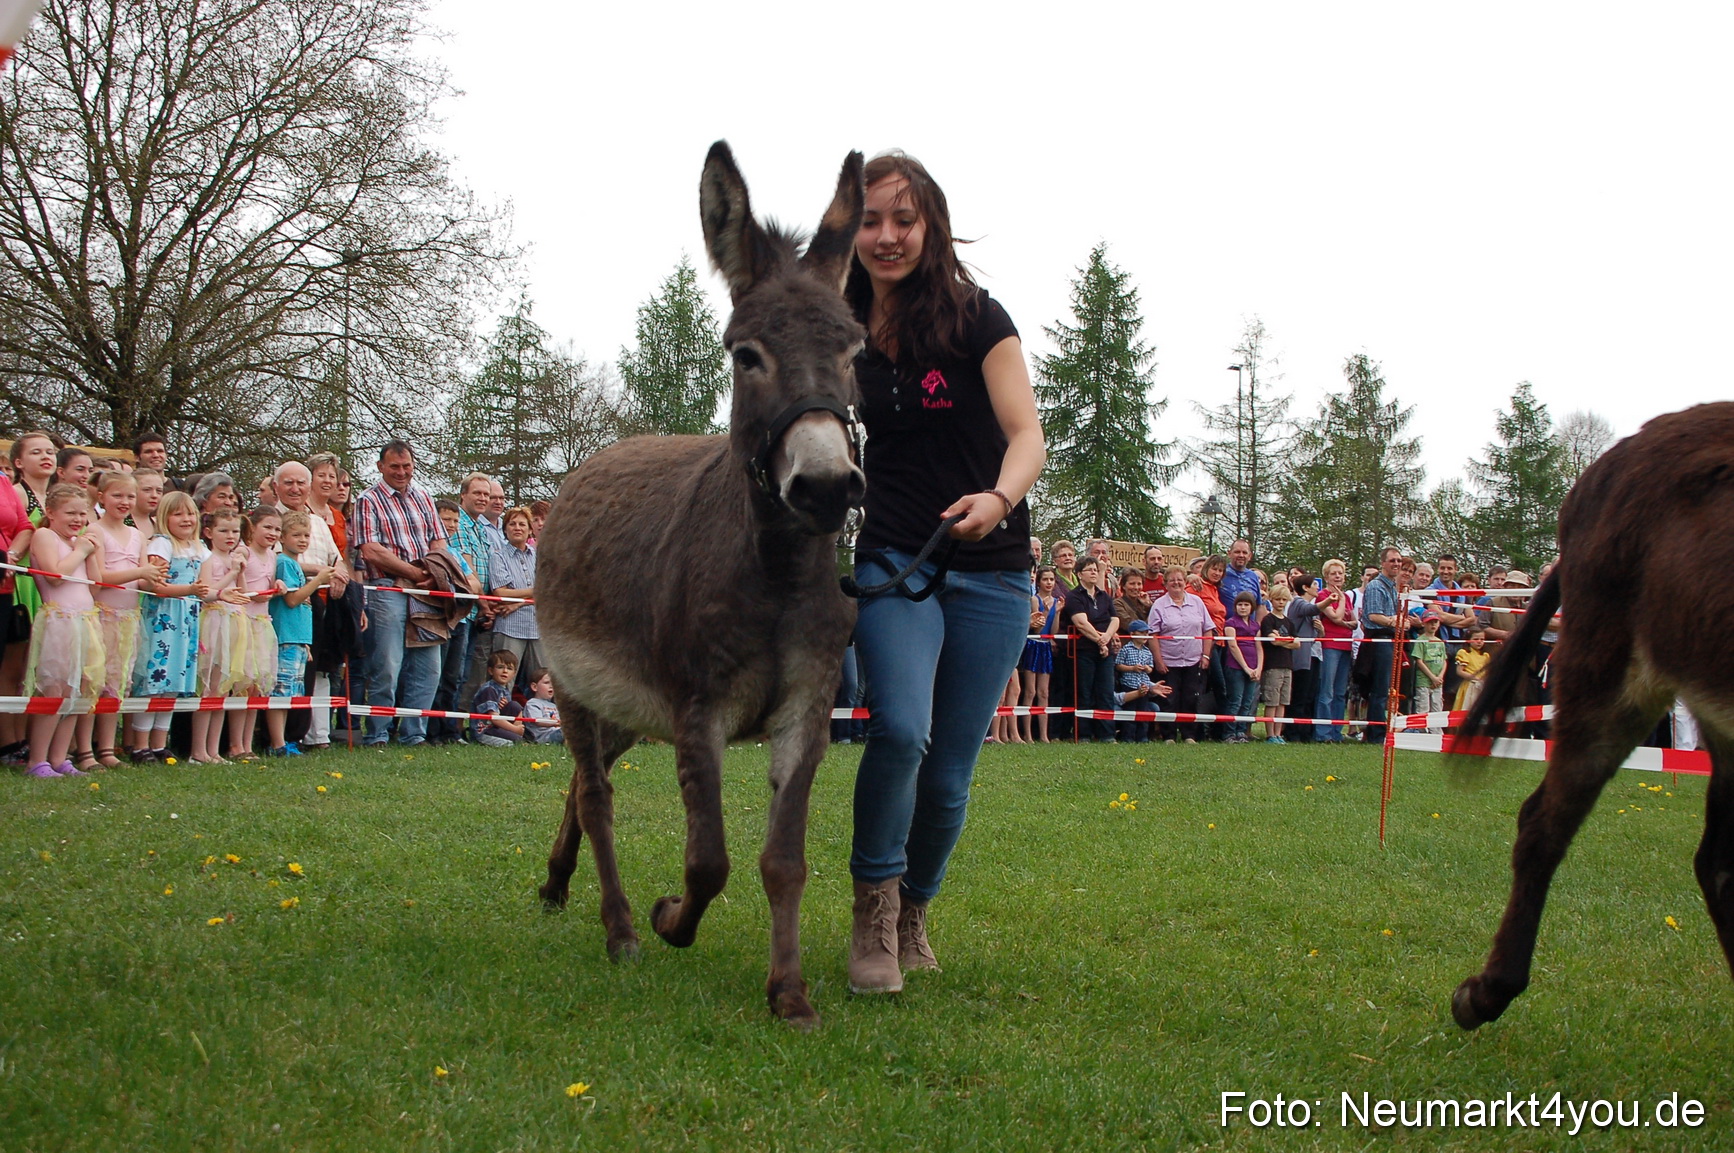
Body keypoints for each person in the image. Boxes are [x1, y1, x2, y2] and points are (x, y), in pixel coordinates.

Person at [843, 150, 1045, 996]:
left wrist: (999, 498)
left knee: (953, 769)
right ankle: (874, 917)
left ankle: (917, 907)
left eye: (904, 218)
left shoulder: (975, 317)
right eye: (870, 219)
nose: (887, 236)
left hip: (993, 569)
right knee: (899, 730)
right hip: (896, 557)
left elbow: (1028, 433)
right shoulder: (839, 323)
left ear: (930, 225)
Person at [351, 440, 448, 747]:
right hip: (387, 589)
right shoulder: (368, 500)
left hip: (425, 592)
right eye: (394, 466)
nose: (402, 472)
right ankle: (378, 733)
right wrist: (413, 573)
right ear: (381, 467)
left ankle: (413, 734)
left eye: (407, 466)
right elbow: (370, 551)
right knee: (387, 666)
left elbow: (438, 542)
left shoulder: (424, 497)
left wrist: (434, 573)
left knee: (428, 668)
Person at [20, 483, 105, 777]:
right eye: (70, 513)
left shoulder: (76, 544)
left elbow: (95, 583)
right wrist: (80, 549)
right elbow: (54, 576)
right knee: (54, 689)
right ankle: (37, 759)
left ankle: (59, 757)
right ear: (51, 512)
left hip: (85, 620)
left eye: (83, 514)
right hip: (59, 621)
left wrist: (90, 552)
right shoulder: (44, 535)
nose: (77, 519)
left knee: (77, 691)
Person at [85, 471, 159, 769]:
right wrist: (141, 573)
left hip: (129, 617)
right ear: (101, 497)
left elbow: (144, 581)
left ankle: (106, 748)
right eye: (117, 495)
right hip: (103, 615)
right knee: (94, 681)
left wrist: (154, 578)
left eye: (130, 496)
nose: (125, 501)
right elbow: (99, 578)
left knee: (118, 683)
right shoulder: (94, 531)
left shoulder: (138, 536)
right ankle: (85, 749)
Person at [129, 491, 208, 761]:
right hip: (164, 618)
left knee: (173, 680)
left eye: (190, 513)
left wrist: (222, 592)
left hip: (186, 619)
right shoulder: (162, 545)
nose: (186, 519)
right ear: (165, 517)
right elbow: (155, 586)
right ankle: (140, 744)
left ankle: (160, 742)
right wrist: (189, 589)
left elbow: (206, 587)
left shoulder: (199, 548)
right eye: (178, 514)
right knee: (156, 679)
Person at [265, 510, 332, 757]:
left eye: (306, 535)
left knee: (291, 693)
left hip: (298, 639)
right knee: (280, 692)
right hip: (285, 636)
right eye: (296, 535)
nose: (302, 540)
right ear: (282, 537)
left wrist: (305, 644)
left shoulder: (293, 564)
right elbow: (292, 600)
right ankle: (277, 743)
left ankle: (284, 741)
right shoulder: (283, 563)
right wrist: (318, 579)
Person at [192, 508, 255, 764]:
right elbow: (206, 592)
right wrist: (230, 572)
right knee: (209, 688)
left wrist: (239, 571)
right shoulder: (207, 558)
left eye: (235, 531)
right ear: (208, 533)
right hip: (215, 620)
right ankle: (198, 750)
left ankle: (213, 749)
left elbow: (244, 594)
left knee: (223, 689)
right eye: (223, 530)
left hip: (235, 621)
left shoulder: (234, 559)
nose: (230, 536)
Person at [1147, 564, 1210, 743]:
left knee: (1190, 698)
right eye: (1172, 580)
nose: (1176, 583)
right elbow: (1152, 634)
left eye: (1180, 580)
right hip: (1168, 662)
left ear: (1185, 582)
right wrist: (1158, 659)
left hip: (1193, 660)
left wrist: (1205, 656)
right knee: (1169, 699)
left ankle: (1189, 735)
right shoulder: (1159, 605)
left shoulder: (1197, 602)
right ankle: (1169, 735)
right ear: (1165, 584)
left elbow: (1208, 630)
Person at [1065, 555, 1118, 742]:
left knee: (1105, 693)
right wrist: (1100, 641)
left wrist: (1107, 638)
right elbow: (1081, 622)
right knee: (1084, 693)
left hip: (1105, 651)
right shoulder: (1073, 596)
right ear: (1080, 574)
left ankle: (1106, 734)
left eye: (1096, 569)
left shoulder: (1104, 596)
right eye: (1090, 569)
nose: (1094, 572)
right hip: (1083, 651)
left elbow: (1114, 619)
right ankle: (1083, 734)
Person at [488, 506, 540, 691]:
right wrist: (535, 591)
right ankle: (501, 720)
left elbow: (548, 590)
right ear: (505, 529)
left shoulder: (539, 556)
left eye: (522, 524)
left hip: (537, 628)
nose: (517, 528)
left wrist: (517, 602)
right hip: (510, 627)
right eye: (512, 524)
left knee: (542, 682)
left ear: (529, 529)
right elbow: (501, 593)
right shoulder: (498, 557)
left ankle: (535, 720)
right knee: (503, 682)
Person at [1359, 547, 1402, 743]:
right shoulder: (1377, 586)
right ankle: (1376, 735)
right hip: (1379, 640)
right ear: (1383, 563)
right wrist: (1395, 621)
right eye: (1392, 560)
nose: (1396, 564)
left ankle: (1379, 731)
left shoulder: (1393, 587)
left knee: (1385, 689)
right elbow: (1373, 616)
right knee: (1379, 690)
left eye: (1399, 561)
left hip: (1391, 639)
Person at [1313, 559, 1357, 742]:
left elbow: (1354, 622)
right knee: (1327, 691)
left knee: (1340, 692)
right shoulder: (1323, 595)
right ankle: (1323, 734)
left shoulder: (1346, 597)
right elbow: (1336, 617)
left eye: (1340, 573)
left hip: (1345, 646)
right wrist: (1339, 605)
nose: (1338, 576)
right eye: (1333, 573)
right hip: (1330, 646)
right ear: (1326, 576)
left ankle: (1336, 732)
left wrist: (1344, 622)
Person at [1017, 565, 1060, 743]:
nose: (1049, 583)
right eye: (1045, 579)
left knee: (1044, 693)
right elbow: (1038, 627)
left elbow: (1054, 631)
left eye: (1051, 579)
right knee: (1030, 691)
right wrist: (1048, 611)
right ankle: (1027, 734)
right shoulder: (1035, 600)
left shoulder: (1056, 601)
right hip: (1033, 644)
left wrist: (1056, 612)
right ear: (1039, 582)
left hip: (1046, 646)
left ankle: (1044, 735)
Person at [1257, 583, 1299, 743]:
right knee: (1272, 701)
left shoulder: (1289, 622)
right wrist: (1285, 641)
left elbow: (1297, 643)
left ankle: (1278, 733)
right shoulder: (1268, 620)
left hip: (1287, 665)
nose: (1281, 602)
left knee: (1283, 702)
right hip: (1272, 665)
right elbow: (1272, 641)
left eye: (1283, 599)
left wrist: (1282, 640)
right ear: (1272, 600)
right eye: (1277, 599)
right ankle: (1270, 734)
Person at [1222, 591, 1263, 742]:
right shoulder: (1230, 623)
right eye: (1240, 605)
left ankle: (1241, 731)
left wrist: (1258, 668)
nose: (1243, 608)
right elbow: (1232, 646)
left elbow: (1259, 647)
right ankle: (1229, 733)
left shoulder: (1255, 625)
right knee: (1236, 700)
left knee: (1247, 701)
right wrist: (1246, 668)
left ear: (1252, 607)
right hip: (1236, 667)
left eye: (1246, 605)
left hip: (1253, 667)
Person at [1113, 620, 1161, 743]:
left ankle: (1142, 737)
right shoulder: (1126, 649)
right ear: (1133, 634)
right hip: (1129, 686)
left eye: (1147, 633)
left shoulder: (1147, 651)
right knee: (1130, 714)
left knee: (1143, 713)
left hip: (1144, 687)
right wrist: (1132, 668)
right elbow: (1118, 665)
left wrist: (1147, 669)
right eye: (1142, 633)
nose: (1145, 636)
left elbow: (1151, 668)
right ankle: (1128, 737)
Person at [471, 648, 525, 746]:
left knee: (514, 705)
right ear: (491, 671)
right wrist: (515, 730)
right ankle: (517, 737)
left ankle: (518, 736)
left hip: (497, 728)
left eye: (509, 668)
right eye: (500, 667)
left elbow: (508, 711)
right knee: (513, 744)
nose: (505, 671)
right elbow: (494, 718)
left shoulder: (505, 690)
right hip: (485, 731)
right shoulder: (489, 690)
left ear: (514, 674)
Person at [1412, 612, 1448, 731]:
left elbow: (1444, 661)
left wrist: (1439, 677)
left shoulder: (1440, 642)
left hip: (1438, 682)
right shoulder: (1420, 641)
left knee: (1437, 708)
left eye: (1435, 622)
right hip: (1424, 681)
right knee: (1423, 707)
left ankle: (1436, 733)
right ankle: (1422, 733)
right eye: (1429, 622)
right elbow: (1419, 661)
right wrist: (1432, 677)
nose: (1433, 625)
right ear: (1423, 623)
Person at [521, 667, 565, 744]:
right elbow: (538, 721)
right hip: (545, 736)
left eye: (553, 683)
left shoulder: (554, 705)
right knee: (567, 731)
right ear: (534, 687)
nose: (551, 686)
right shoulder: (532, 703)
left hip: (557, 731)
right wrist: (556, 723)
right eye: (547, 683)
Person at [1454, 627, 1492, 711]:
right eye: (1476, 639)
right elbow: (1460, 671)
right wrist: (1475, 678)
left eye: (1482, 639)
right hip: (1470, 685)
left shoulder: (1485, 655)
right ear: (1468, 640)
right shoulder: (1464, 653)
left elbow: (1487, 672)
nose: (1479, 641)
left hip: (1482, 685)